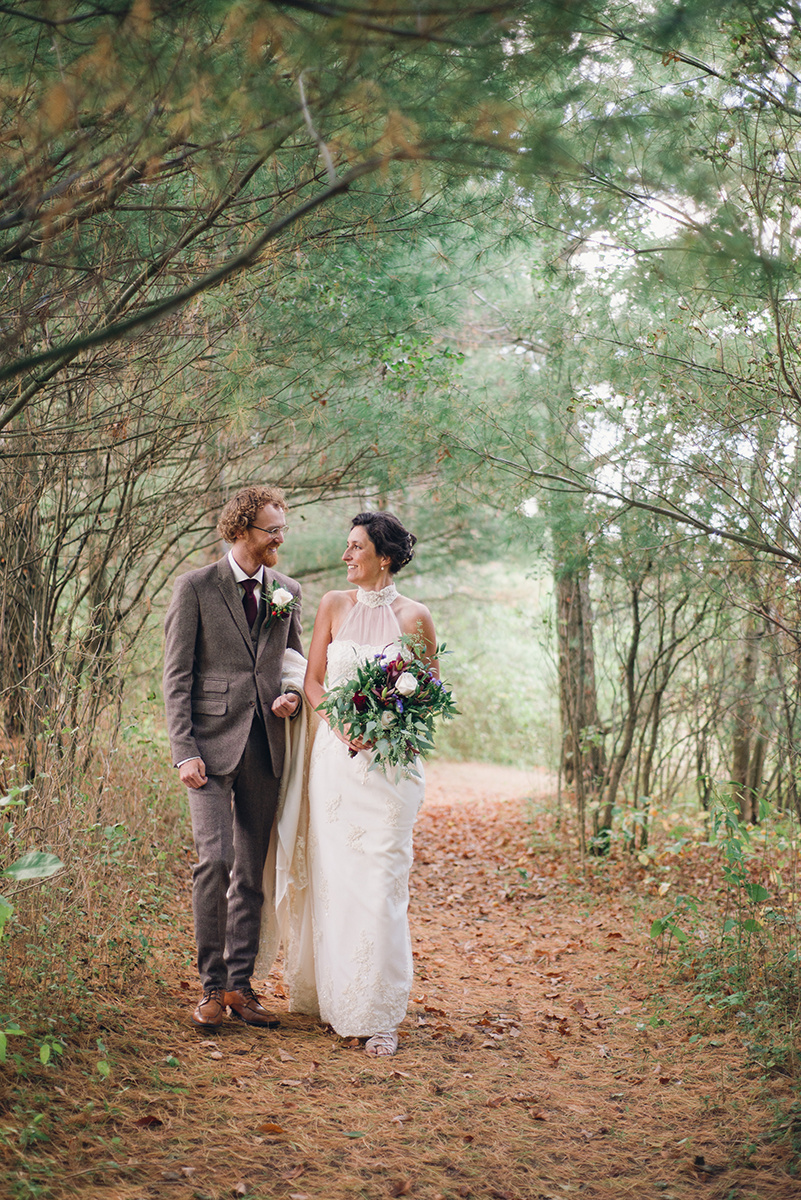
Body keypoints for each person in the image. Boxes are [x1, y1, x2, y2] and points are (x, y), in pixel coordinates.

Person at [163, 485, 303, 1030]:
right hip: (208, 748)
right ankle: (211, 987)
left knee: (251, 871)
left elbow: (292, 661)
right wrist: (183, 752)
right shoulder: (195, 587)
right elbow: (176, 678)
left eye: (282, 528)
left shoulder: (287, 590)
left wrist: (291, 697)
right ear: (242, 529)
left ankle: (241, 987)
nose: (279, 538)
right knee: (213, 861)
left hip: (267, 745)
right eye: (272, 530)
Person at [298, 511, 438, 1056]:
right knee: (338, 881)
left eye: (355, 547)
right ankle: (342, 998)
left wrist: (390, 726)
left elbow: (428, 693)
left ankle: (380, 1013)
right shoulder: (333, 605)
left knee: (381, 884)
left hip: (390, 769)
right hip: (335, 765)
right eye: (346, 547)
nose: (345, 556)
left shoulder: (416, 617)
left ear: (384, 555)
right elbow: (313, 682)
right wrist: (340, 725)